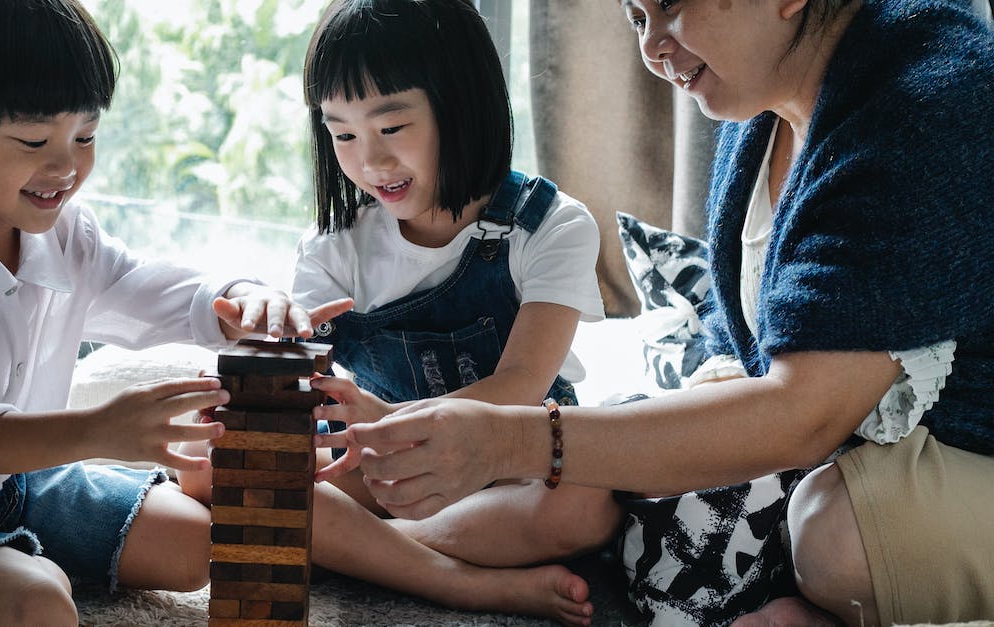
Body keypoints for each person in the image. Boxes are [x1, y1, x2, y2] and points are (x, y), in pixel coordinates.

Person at [320, 0, 994, 625]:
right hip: (844, 433)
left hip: (960, 446)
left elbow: (805, 411)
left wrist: (510, 438)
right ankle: (390, 549)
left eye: (670, 6)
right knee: (622, 466)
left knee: (833, 533)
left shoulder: (928, 102)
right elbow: (774, 364)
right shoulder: (759, 109)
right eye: (636, 14)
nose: (653, 46)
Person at [0, 1, 350, 625]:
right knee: (37, 603)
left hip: (19, 481)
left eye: (84, 136)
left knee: (195, 546)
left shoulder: (64, 233)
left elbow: (145, 287)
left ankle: (18, 547)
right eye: (35, 141)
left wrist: (244, 296)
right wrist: (100, 428)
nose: (66, 168)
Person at [175, 1, 610, 625]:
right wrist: (255, 376)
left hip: (511, 455)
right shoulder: (335, 246)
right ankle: (454, 576)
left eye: (392, 127)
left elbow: (520, 389)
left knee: (589, 504)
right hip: (381, 460)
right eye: (343, 134)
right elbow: (299, 378)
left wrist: (391, 419)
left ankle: (361, 552)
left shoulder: (551, 225)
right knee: (212, 473)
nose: (369, 162)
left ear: (459, 105)